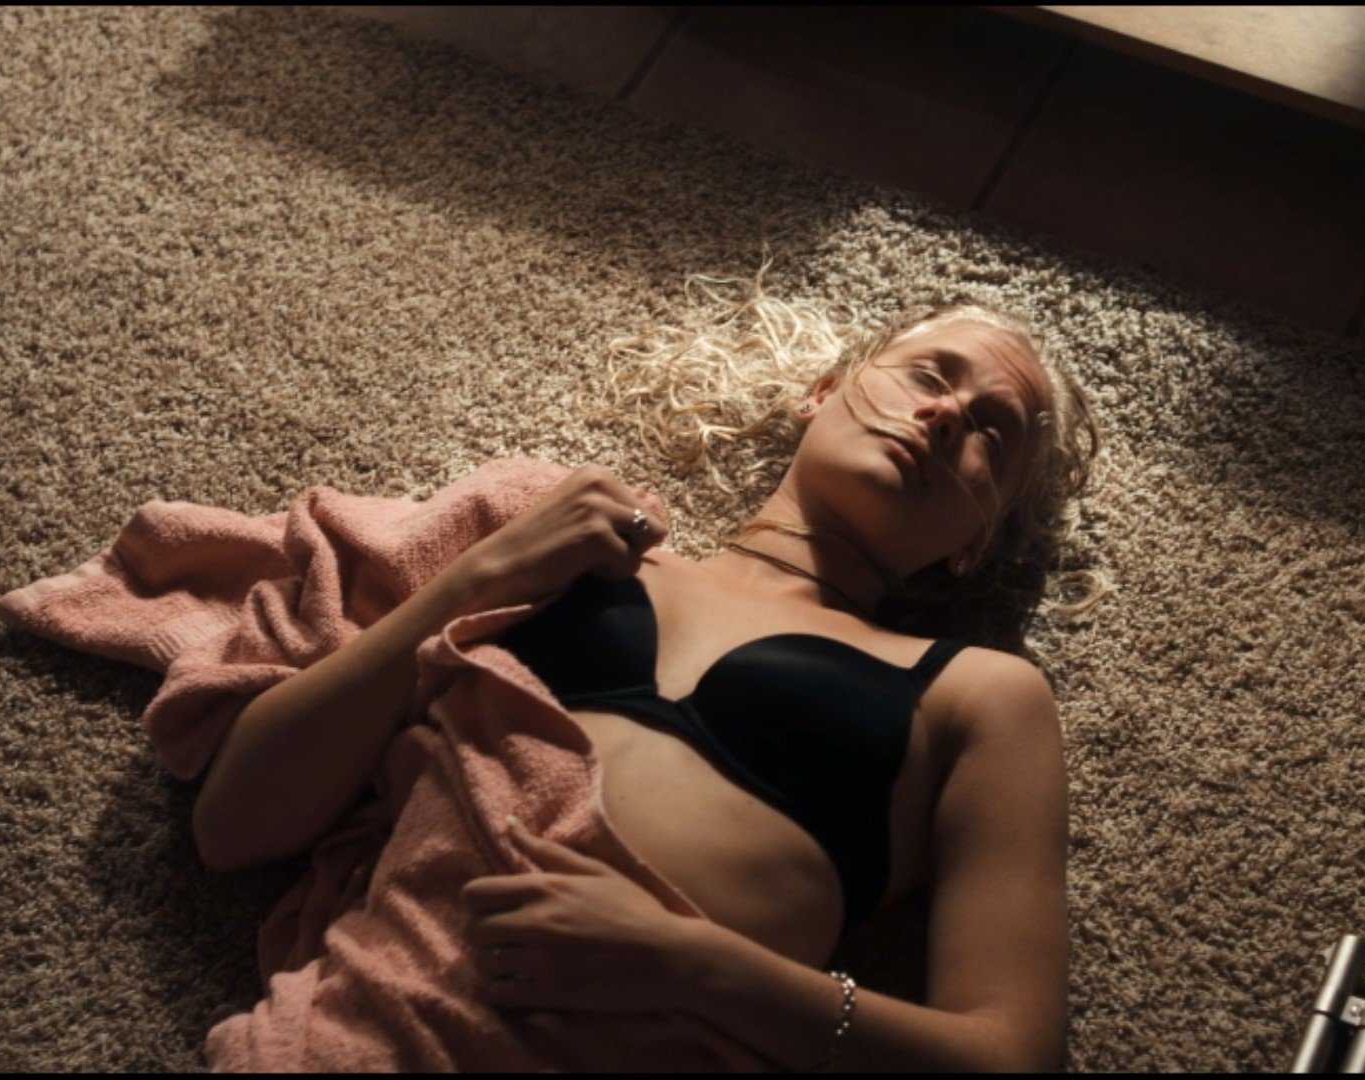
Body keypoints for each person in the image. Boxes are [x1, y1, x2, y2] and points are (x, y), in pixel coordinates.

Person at [192, 277, 1106, 1072]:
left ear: (975, 546)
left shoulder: (979, 696)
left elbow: (1007, 1054)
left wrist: (692, 966)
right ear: (822, 393)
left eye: (992, 431)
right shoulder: (563, 541)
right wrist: (485, 573)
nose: (945, 414)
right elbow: (232, 825)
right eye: (930, 375)